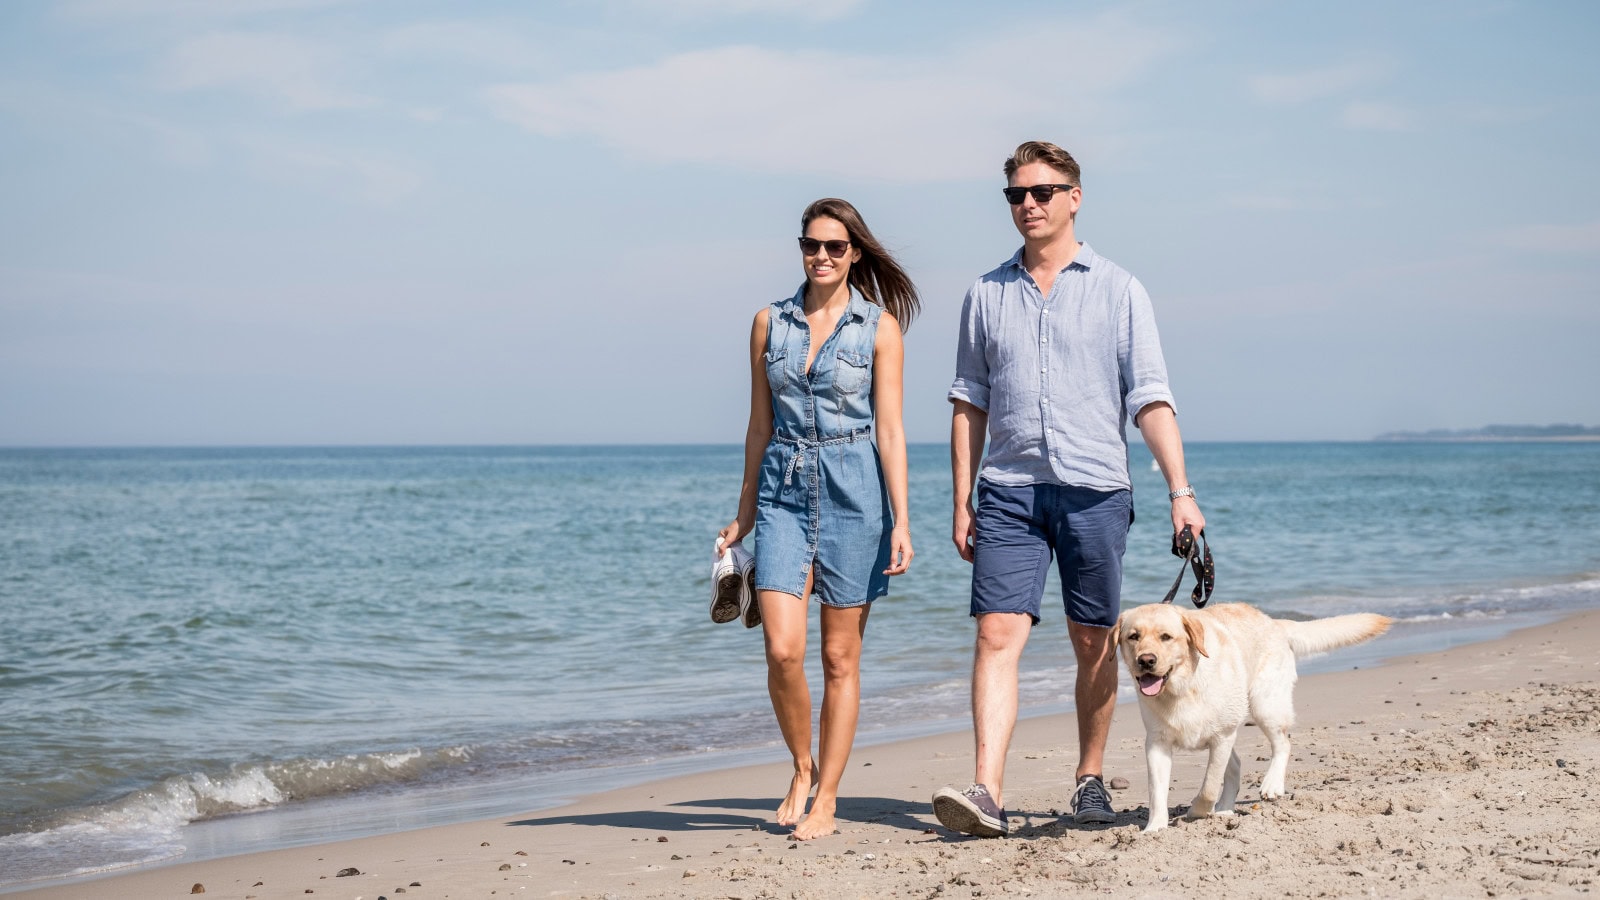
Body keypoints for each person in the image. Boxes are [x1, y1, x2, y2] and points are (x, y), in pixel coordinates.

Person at [931, 141, 1205, 837]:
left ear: (1074, 198)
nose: (1029, 205)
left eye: (1043, 192)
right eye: (1017, 195)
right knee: (997, 634)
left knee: (1093, 641)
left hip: (1095, 491)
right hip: (1009, 491)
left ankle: (1088, 778)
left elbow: (1150, 398)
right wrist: (964, 497)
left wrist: (1181, 491)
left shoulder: (1119, 290)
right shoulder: (986, 293)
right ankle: (986, 790)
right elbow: (968, 400)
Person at [718, 198, 919, 840]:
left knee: (839, 657)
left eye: (835, 246)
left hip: (856, 492)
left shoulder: (879, 327)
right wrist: (745, 511)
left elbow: (890, 430)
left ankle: (827, 796)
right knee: (782, 650)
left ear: (854, 251)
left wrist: (903, 521)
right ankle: (801, 767)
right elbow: (757, 424)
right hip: (782, 488)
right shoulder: (767, 323)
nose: (822, 256)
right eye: (812, 245)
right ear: (800, 248)